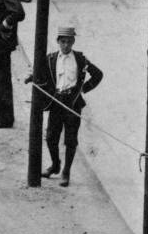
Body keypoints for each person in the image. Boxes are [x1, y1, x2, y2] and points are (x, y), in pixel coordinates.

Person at [35, 23, 102, 185]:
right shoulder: (50, 59)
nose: (66, 45)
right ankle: (55, 165)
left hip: (73, 103)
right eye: (63, 42)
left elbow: (98, 75)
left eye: (69, 42)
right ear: (58, 41)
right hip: (56, 102)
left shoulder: (80, 59)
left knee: (71, 140)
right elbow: (41, 75)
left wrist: (83, 90)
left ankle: (66, 172)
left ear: (73, 42)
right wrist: (33, 78)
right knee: (51, 137)